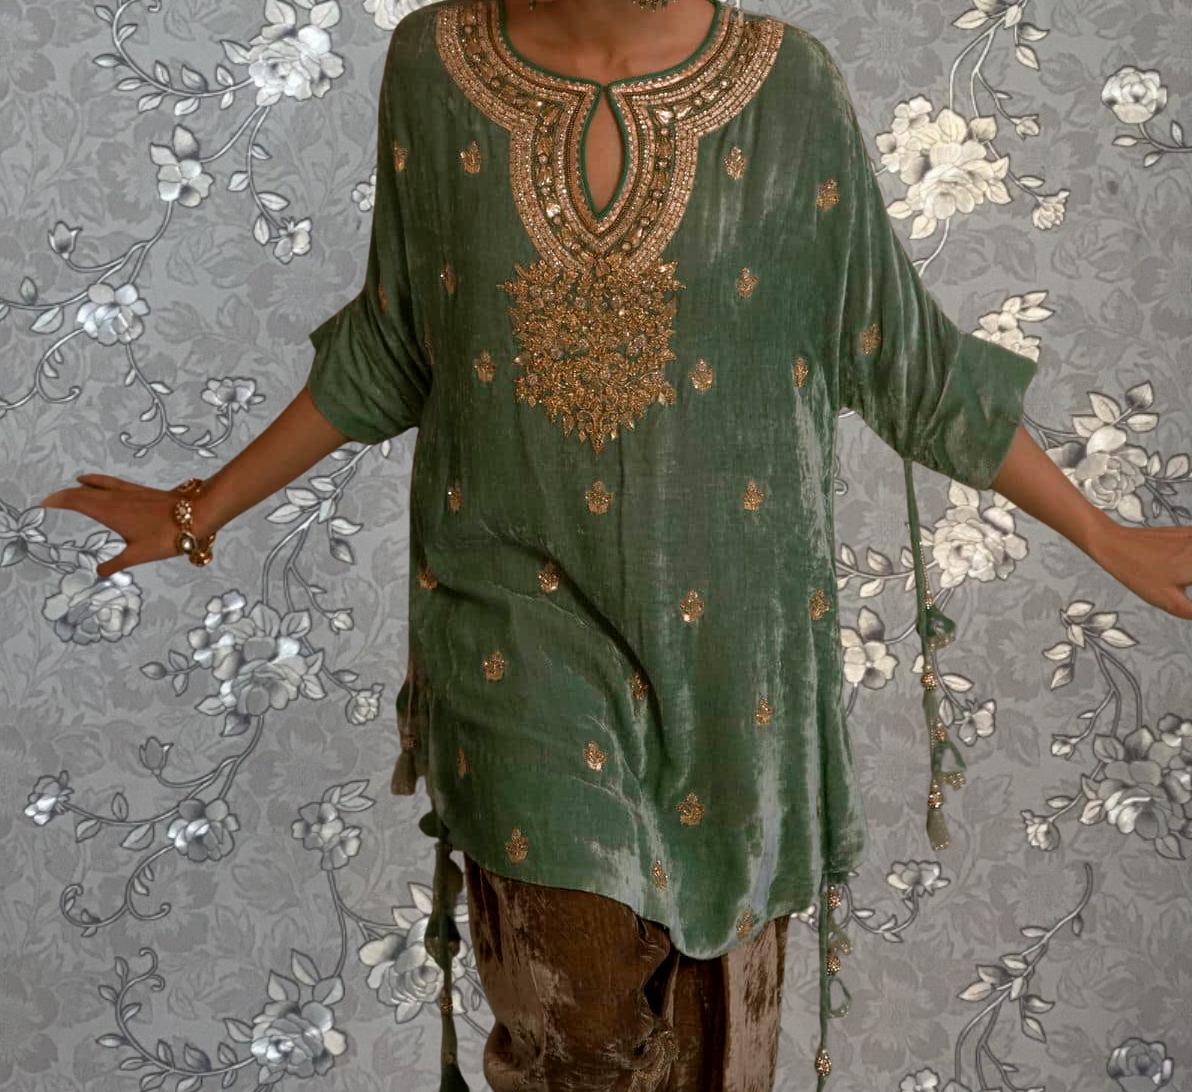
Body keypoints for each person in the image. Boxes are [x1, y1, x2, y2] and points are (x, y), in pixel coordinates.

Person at [38, 0, 1192, 1088]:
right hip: (513, 628)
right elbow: (395, 340)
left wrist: (1106, 535)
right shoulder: (435, 69)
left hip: (736, 661)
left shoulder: (788, 89)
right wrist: (201, 505)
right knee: (574, 1024)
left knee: (710, 1047)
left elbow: (905, 357)